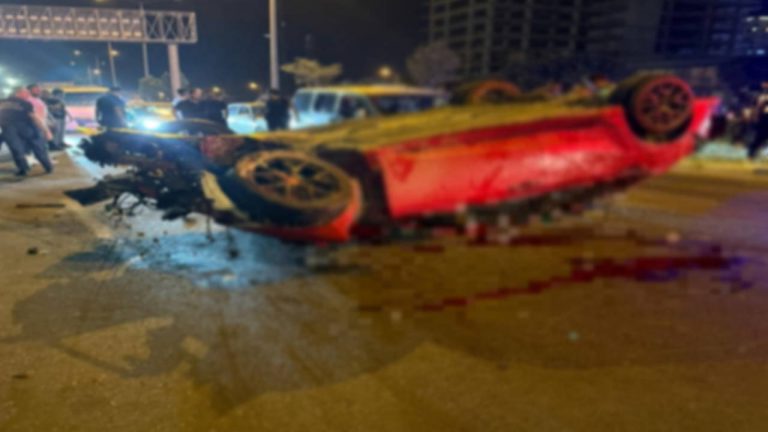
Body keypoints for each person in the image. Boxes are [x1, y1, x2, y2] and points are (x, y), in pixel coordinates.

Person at [0, 87, 54, 177]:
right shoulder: (25, 103)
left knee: (17, 150)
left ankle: (24, 169)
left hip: (9, 128)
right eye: (26, 93)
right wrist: (46, 131)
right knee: (37, 148)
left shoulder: (2, 102)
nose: (28, 94)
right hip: (25, 128)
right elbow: (35, 118)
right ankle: (47, 166)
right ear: (18, 93)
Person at [748, 81, 768, 160]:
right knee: (760, 136)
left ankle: (754, 152)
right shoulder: (763, 96)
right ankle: (752, 153)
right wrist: (755, 116)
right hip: (764, 118)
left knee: (761, 137)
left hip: (763, 117)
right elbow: (758, 106)